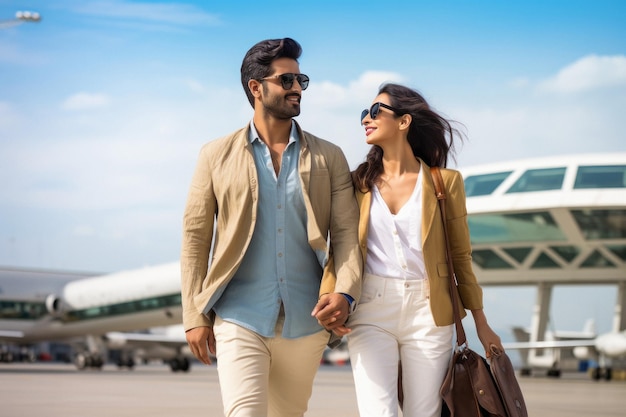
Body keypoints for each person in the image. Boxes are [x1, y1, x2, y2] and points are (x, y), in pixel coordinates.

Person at [180, 37, 362, 417]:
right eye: (287, 80)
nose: (297, 89)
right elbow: (196, 238)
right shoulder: (214, 156)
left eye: (301, 81)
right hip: (238, 315)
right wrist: (194, 315)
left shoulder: (329, 157)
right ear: (256, 88)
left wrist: (345, 293)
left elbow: (346, 235)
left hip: (308, 320)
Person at [346, 83, 503, 417]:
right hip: (370, 307)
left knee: (424, 412)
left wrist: (481, 322)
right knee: (378, 412)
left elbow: (460, 256)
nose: (366, 119)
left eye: (375, 111)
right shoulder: (356, 183)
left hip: (429, 312)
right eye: (364, 113)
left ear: (404, 122)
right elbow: (341, 251)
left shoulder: (444, 182)